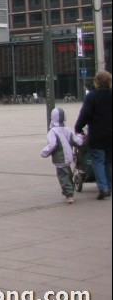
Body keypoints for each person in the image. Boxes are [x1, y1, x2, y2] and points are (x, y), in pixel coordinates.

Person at [74, 70, 112, 200]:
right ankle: (109, 187)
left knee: (98, 160)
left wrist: (78, 127)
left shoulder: (92, 97)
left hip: (97, 135)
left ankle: (103, 187)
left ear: (97, 83)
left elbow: (84, 114)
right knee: (109, 162)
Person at [41, 107, 82, 204]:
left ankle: (69, 194)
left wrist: (44, 152)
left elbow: (52, 145)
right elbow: (77, 141)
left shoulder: (53, 132)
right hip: (69, 157)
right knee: (68, 174)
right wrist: (80, 137)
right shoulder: (68, 129)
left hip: (60, 159)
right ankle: (70, 190)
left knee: (63, 176)